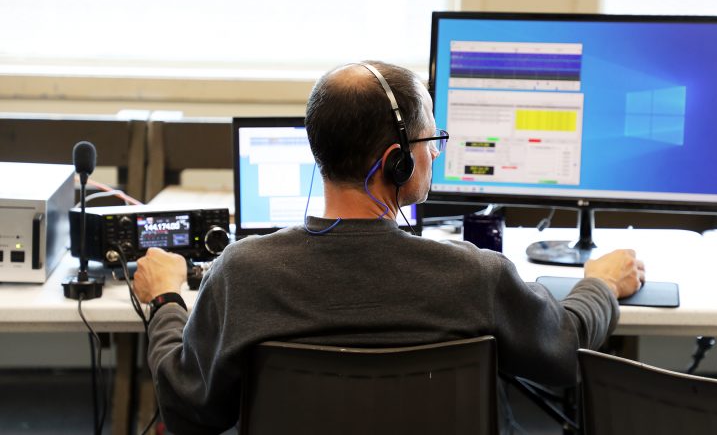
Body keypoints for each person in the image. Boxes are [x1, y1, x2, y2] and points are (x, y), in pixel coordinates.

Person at [133, 60, 645, 434]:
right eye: (431, 142)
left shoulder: (241, 272)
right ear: (397, 161)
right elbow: (561, 351)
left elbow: (188, 409)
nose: (436, 155)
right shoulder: (474, 276)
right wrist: (598, 284)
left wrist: (166, 303)